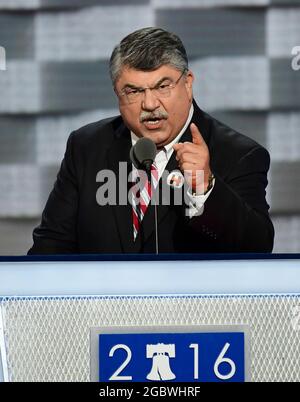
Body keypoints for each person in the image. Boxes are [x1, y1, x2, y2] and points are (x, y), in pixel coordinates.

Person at [28, 27, 274, 254]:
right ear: (117, 93)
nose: (150, 104)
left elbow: (257, 248)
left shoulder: (239, 155)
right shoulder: (86, 147)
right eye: (134, 91)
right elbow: (49, 249)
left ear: (187, 84)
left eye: (162, 87)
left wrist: (206, 188)